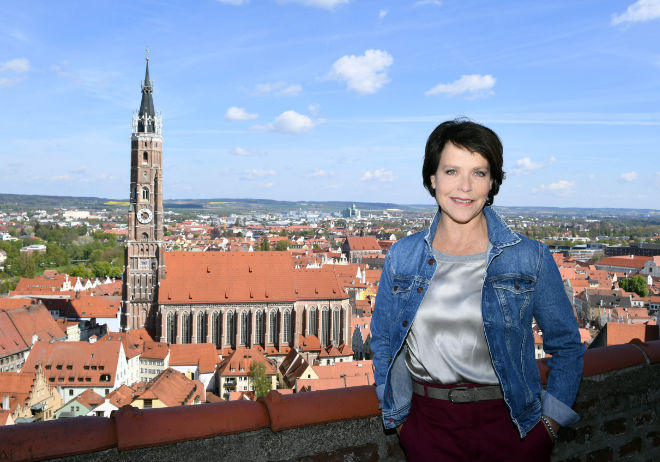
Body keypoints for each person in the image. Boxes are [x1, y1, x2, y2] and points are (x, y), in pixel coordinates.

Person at [371, 119, 584, 461]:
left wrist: (548, 427)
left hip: (514, 427)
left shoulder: (530, 256)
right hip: (427, 429)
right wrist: (403, 425)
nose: (465, 186)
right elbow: (382, 342)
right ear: (432, 178)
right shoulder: (403, 256)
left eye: (479, 173)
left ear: (493, 182)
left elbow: (567, 346)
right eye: (452, 171)